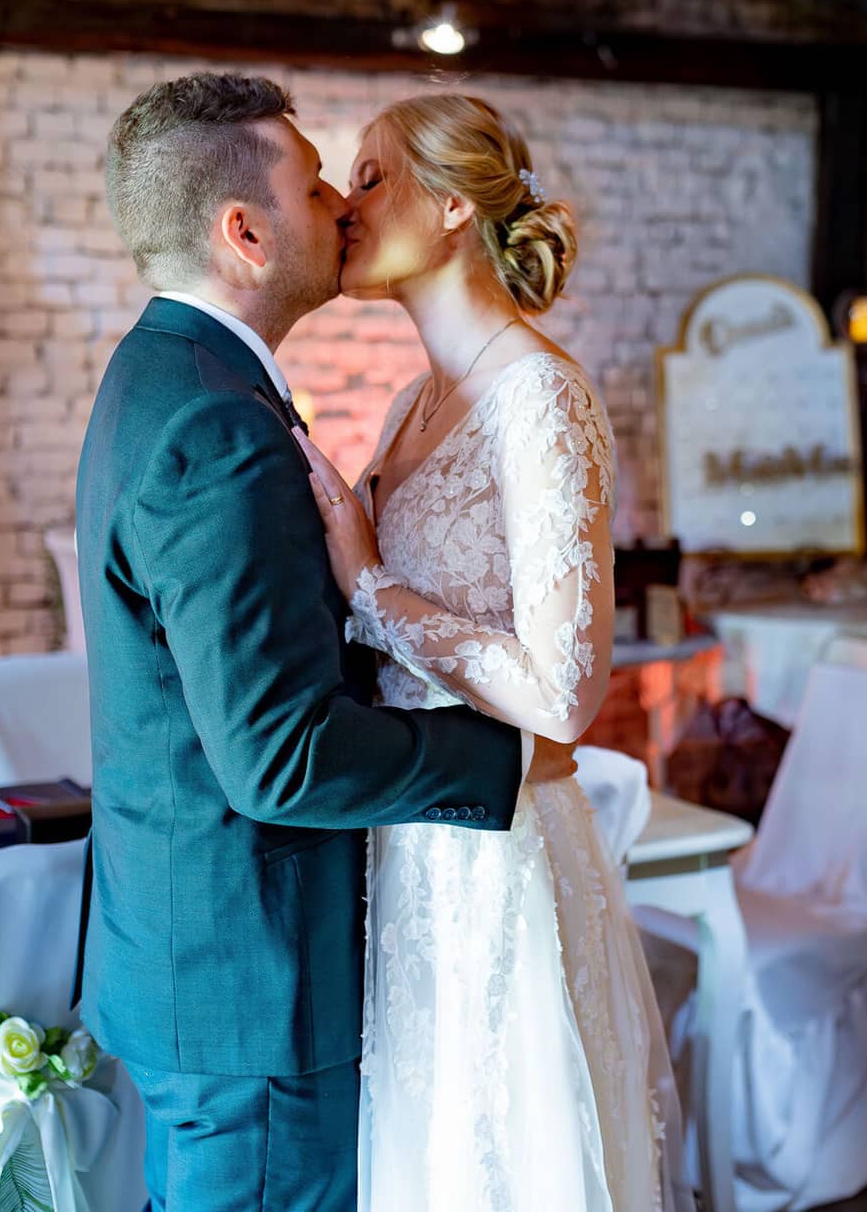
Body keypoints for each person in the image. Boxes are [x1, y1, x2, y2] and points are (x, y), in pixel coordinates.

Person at [73, 73, 529, 1212]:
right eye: (316, 180)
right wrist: (505, 758)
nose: (340, 204)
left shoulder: (164, 375)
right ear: (244, 231)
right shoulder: (217, 422)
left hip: (199, 958)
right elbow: (280, 754)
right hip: (251, 984)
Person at [296, 92, 690, 1212]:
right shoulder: (416, 404)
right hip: (404, 846)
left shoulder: (542, 399)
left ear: (456, 203)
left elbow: (564, 692)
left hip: (499, 853)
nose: (346, 201)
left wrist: (371, 582)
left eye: (373, 177)